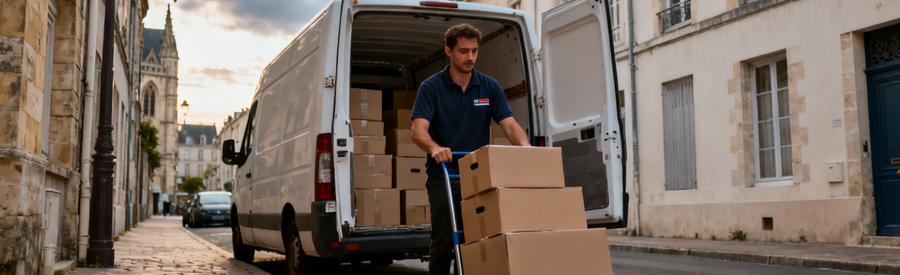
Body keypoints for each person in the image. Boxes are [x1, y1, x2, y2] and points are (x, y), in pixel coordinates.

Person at [410, 23, 530, 275]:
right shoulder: (431, 88)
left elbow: (509, 125)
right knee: (444, 239)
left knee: (477, 238)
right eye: (464, 51)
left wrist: (526, 150)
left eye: (474, 51)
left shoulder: (489, 87)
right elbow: (418, 130)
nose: (471, 57)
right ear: (449, 51)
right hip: (444, 173)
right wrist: (435, 148)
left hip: (478, 175)